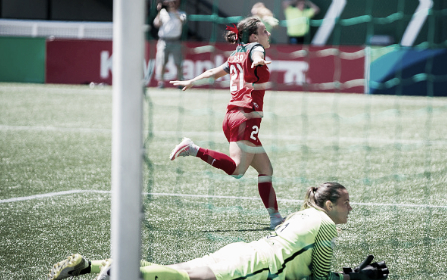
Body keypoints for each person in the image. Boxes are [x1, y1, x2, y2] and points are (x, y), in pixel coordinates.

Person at [46, 182, 390, 280]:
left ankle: (88, 265)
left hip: (240, 252)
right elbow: (317, 278)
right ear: (329, 205)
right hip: (256, 269)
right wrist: (351, 278)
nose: (350, 207)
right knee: (185, 279)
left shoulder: (301, 215)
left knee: (179, 270)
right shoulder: (326, 224)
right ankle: (121, 274)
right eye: (346, 202)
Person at [169, 16, 282, 229]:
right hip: (246, 116)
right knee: (238, 171)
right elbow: (258, 52)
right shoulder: (254, 48)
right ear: (254, 36)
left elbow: (213, 72)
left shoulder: (236, 55)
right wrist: (258, 60)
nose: (268, 34)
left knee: (266, 169)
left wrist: (192, 81)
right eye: (264, 31)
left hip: (232, 116)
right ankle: (192, 149)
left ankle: (276, 218)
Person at [153, 0, 187, 89]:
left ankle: (180, 83)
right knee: (162, 62)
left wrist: (173, 11)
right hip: (163, 41)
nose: (171, 5)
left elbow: (182, 21)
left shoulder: (181, 13)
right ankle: (161, 83)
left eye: (173, 3)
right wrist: (160, 11)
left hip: (176, 41)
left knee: (178, 63)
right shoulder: (163, 13)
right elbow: (156, 24)